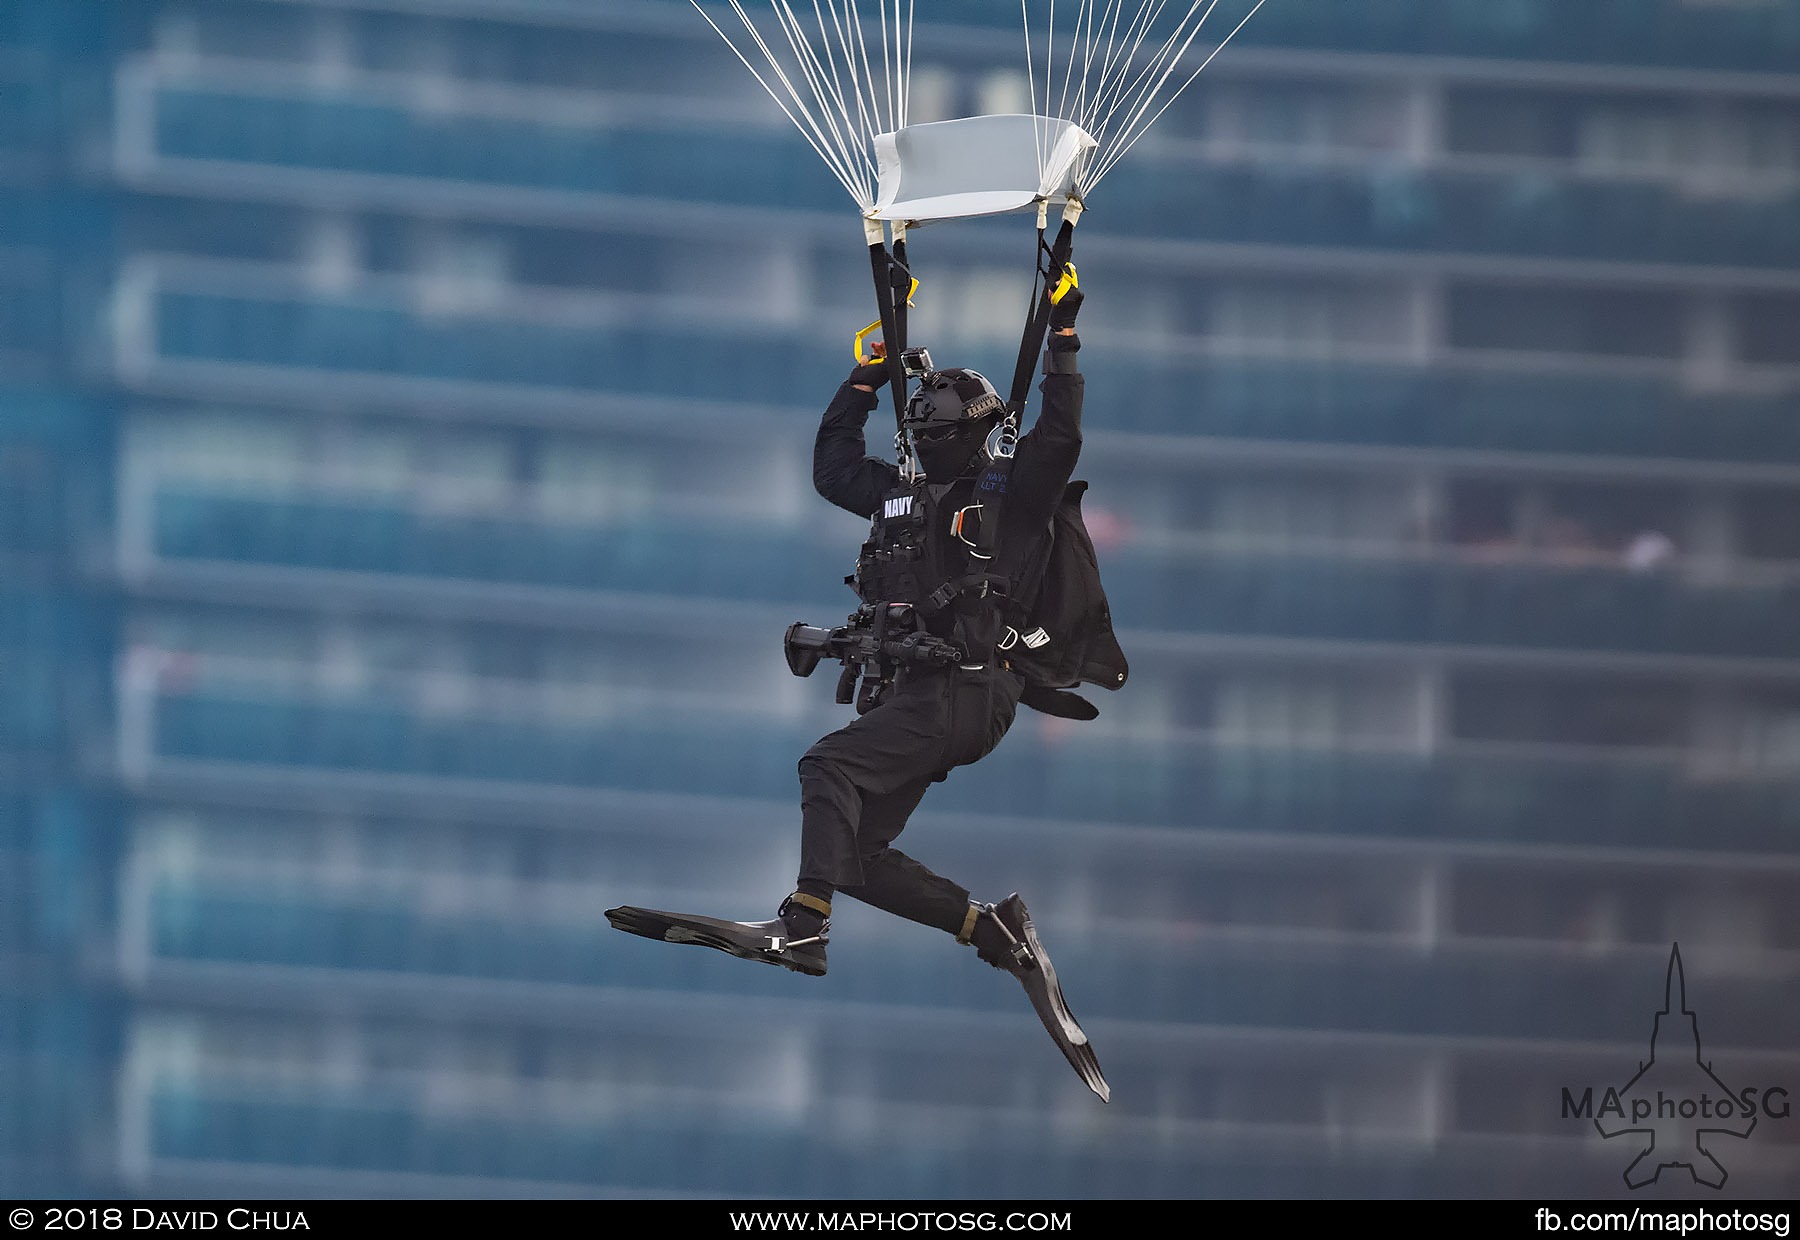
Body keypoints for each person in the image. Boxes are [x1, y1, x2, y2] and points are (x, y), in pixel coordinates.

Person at [608, 270, 1110, 1099]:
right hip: (919, 695)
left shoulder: (1011, 499)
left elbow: (1061, 437)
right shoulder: (901, 495)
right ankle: (998, 935)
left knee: (826, 769)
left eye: (935, 433)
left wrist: (1062, 338)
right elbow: (833, 467)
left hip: (970, 691)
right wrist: (866, 376)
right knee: (856, 854)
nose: (926, 447)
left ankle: (803, 928)